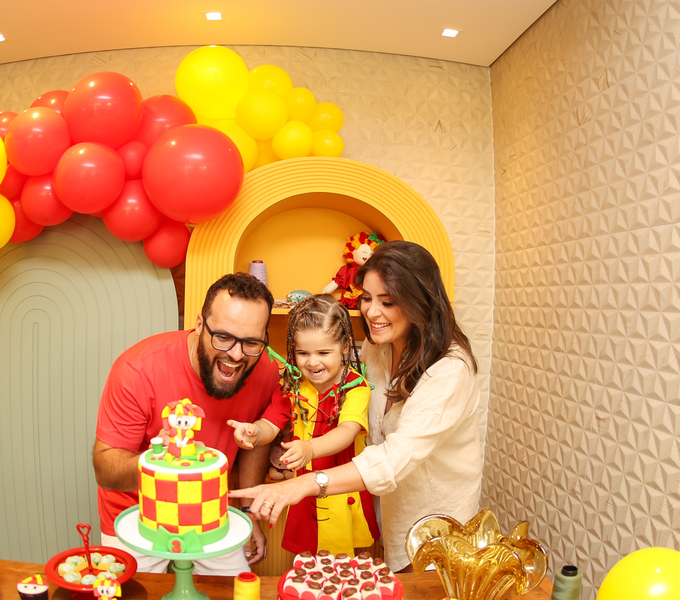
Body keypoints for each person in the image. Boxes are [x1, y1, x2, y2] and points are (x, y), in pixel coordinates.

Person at [230, 240, 482, 571]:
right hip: (389, 510)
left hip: (437, 523)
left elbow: (393, 458)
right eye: (366, 298)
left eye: (387, 302)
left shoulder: (450, 370)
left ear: (419, 301)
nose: (371, 312)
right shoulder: (378, 348)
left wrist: (306, 482)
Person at [93, 272, 289, 574]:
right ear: (199, 324)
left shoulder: (265, 372)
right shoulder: (136, 370)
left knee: (234, 597)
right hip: (136, 516)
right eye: (223, 337)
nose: (236, 355)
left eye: (251, 342)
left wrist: (248, 510)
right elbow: (106, 471)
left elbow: (255, 438)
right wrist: (167, 463)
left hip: (212, 513)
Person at [229, 294, 380, 556]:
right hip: (304, 496)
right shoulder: (293, 384)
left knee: (345, 565)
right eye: (303, 353)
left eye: (323, 352)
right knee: (306, 563)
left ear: (345, 346)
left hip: (344, 492)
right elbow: (272, 422)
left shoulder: (356, 388)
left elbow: (347, 432)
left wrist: (310, 448)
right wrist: (254, 432)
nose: (312, 362)